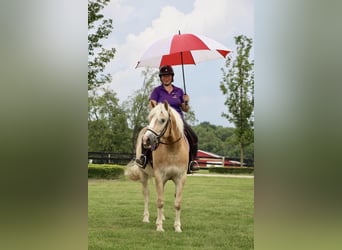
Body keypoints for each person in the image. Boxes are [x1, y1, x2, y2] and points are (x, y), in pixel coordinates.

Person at [136, 65, 200, 174]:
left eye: (169, 75)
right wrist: (154, 106)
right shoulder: (157, 91)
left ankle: (192, 162)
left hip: (177, 121)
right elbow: (152, 105)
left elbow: (185, 109)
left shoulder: (179, 91)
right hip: (161, 120)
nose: (166, 78)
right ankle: (144, 157)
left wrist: (186, 102)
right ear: (161, 78)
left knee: (194, 137)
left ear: (172, 77)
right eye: (164, 76)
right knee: (147, 135)